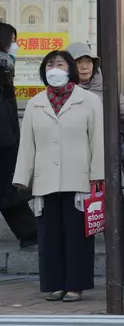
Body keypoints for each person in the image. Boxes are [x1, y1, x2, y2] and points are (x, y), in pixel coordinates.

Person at [12, 50, 104, 302]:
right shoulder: (35, 103)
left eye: (60, 63)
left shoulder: (88, 100)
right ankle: (54, 284)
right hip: (45, 178)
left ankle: (76, 284)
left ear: (70, 69)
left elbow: (97, 139)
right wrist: (22, 176)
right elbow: (27, 144)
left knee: (77, 234)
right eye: (50, 64)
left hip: (79, 177)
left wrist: (98, 173)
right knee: (49, 234)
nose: (55, 68)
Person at [66, 42, 124, 288]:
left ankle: (123, 270)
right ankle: (77, 277)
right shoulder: (63, 92)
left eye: (88, 61)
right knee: (77, 222)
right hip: (74, 167)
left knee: (114, 218)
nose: (85, 66)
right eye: (78, 62)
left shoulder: (108, 89)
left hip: (107, 165)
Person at [0, 22, 37, 248]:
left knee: (9, 191)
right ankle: (31, 234)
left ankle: (31, 234)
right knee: (8, 190)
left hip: (7, 138)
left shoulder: (5, 65)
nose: (16, 45)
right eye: (12, 40)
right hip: (4, 140)